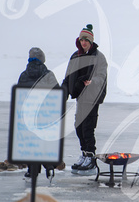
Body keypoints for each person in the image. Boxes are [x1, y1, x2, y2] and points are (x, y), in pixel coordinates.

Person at [62, 24, 108, 174]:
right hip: (80, 97)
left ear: (91, 41)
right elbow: (68, 76)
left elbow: (101, 76)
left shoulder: (98, 57)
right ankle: (84, 153)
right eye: (82, 40)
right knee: (78, 127)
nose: (84, 42)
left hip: (92, 96)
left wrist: (93, 81)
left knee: (88, 128)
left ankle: (91, 158)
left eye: (86, 40)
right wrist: (63, 91)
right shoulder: (76, 56)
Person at [16, 47, 62, 179]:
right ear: (43, 60)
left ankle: (32, 171)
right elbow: (57, 94)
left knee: (31, 142)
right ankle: (49, 168)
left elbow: (20, 96)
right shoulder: (48, 74)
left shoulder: (24, 75)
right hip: (45, 114)